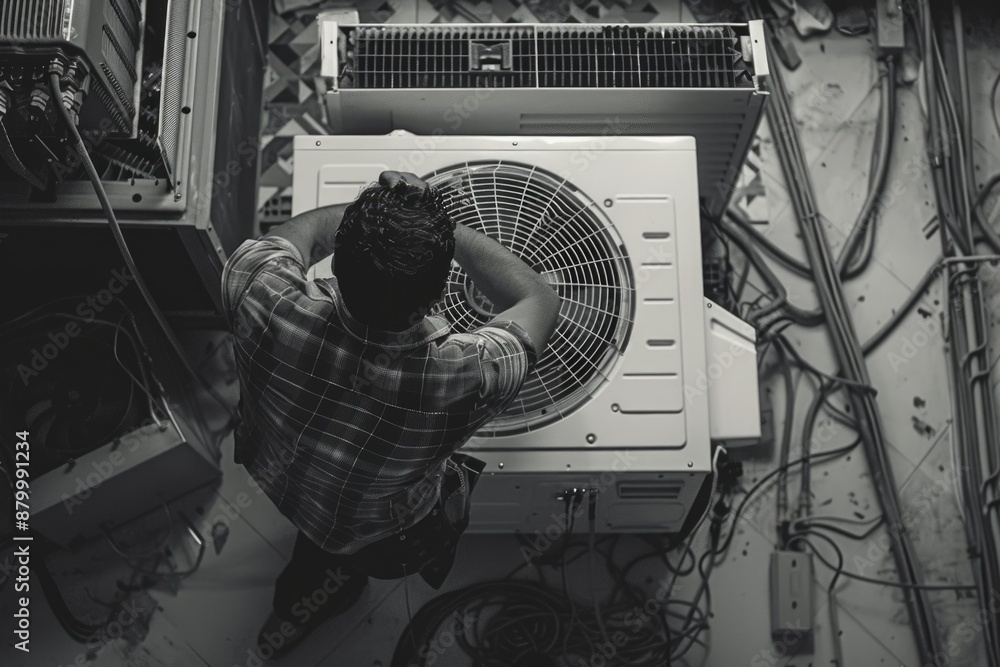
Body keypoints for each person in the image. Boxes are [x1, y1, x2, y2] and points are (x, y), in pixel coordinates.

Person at [221, 170, 561, 660]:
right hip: (378, 532)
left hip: (280, 478)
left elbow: (304, 234)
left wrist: (385, 222)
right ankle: (328, 592)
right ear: (439, 297)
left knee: (309, 568)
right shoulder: (465, 375)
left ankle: (295, 612)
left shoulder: (258, 290)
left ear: (336, 265)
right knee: (359, 556)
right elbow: (539, 299)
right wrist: (440, 225)